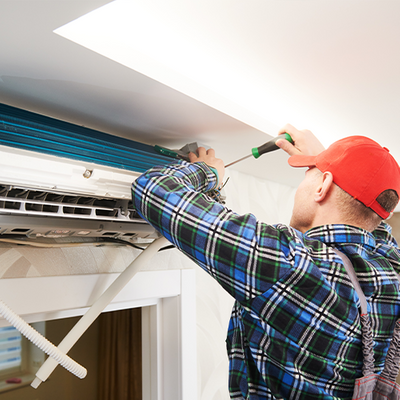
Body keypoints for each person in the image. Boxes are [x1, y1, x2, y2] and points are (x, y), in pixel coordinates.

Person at [132, 124, 400, 399]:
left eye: (310, 174)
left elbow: (153, 190)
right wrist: (330, 166)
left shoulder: (289, 263)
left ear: (323, 186)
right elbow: (370, 221)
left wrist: (208, 172)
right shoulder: (391, 267)